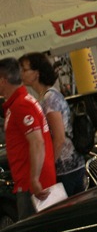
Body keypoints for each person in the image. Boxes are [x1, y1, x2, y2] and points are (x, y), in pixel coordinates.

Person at [19, 52, 87, 196]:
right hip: (67, 166)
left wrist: (48, 167)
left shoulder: (49, 98)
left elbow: (59, 138)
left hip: (66, 169)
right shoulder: (45, 97)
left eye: (24, 70)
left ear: (36, 73)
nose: (21, 74)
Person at [0, 57, 56, 220]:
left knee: (34, 231)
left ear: (3, 81)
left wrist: (34, 179)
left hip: (32, 185)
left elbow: (37, 142)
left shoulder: (21, 105)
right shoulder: (19, 103)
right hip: (29, 181)